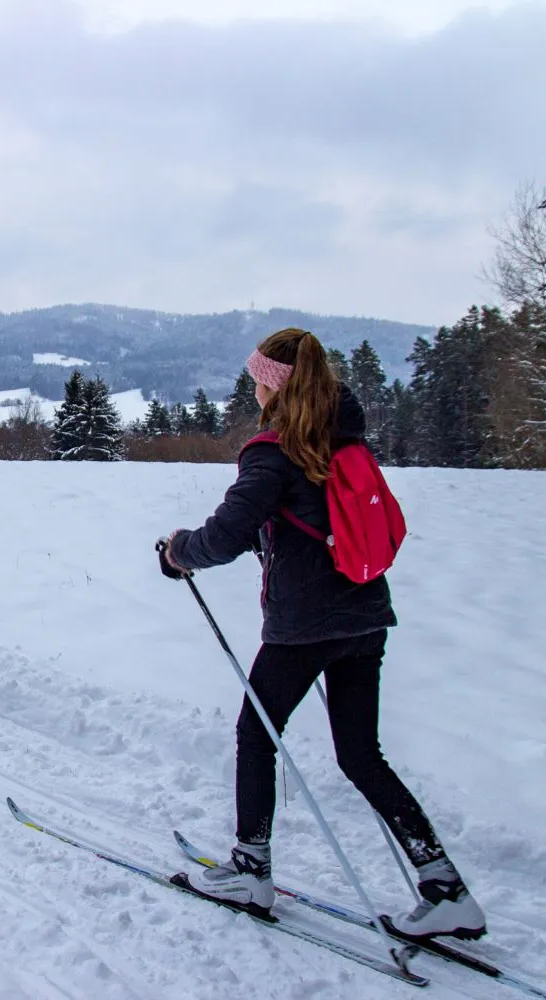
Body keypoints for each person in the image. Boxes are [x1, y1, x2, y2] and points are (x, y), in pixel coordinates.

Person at [161, 327, 486, 942]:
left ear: (272, 384)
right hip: (365, 614)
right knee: (361, 754)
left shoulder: (275, 451)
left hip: (304, 624)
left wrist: (179, 551)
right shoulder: (345, 438)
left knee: (256, 734)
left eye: (258, 375)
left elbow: (227, 535)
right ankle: (445, 889)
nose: (253, 385)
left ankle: (251, 870)